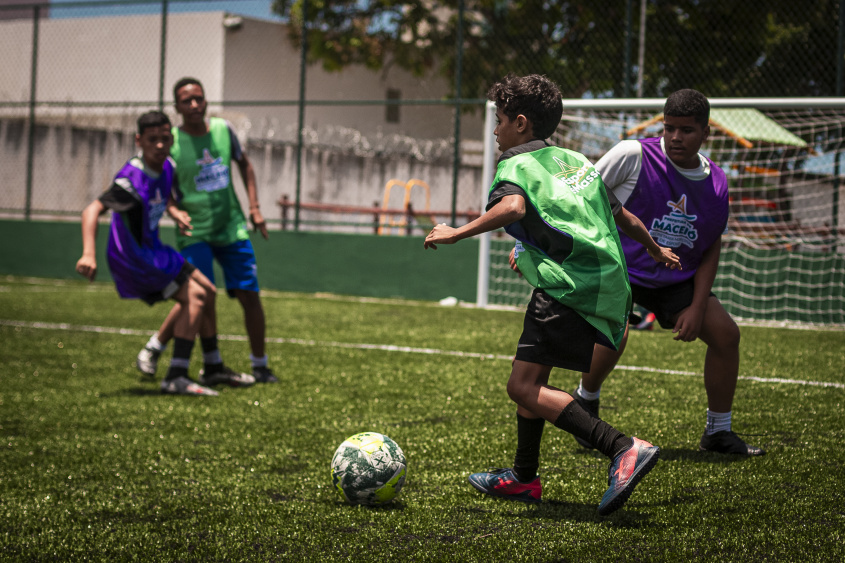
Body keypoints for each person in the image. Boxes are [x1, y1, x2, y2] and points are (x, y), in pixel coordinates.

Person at [424, 74, 681, 515]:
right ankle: (524, 479)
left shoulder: (513, 166)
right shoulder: (574, 161)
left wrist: (456, 233)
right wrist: (657, 249)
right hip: (606, 281)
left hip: (569, 285)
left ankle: (622, 447)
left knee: (522, 387)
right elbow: (622, 215)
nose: (495, 131)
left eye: (500, 121)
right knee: (534, 380)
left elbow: (514, 207)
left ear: (521, 123)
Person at [573, 89, 765, 456]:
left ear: (706, 133)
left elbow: (711, 245)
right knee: (617, 333)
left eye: (687, 130)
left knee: (726, 335)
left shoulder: (718, 182)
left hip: (676, 279)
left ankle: (718, 432)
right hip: (622, 269)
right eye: (670, 128)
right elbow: (579, 197)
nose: (676, 137)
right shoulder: (633, 155)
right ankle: (586, 401)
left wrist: (695, 306)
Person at [136, 77, 277, 386]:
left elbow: (246, 165)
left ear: (206, 100)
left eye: (199, 98)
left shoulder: (223, 131)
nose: (194, 105)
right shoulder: (169, 139)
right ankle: (193, 359)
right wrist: (174, 210)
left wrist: (254, 207)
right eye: (187, 101)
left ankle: (260, 366)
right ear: (177, 107)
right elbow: (160, 181)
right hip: (194, 231)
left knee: (250, 295)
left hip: (231, 226)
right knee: (202, 295)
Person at [76, 111, 220, 396]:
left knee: (209, 291)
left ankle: (178, 356)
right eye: (152, 140)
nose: (159, 145)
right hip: (135, 259)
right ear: (139, 141)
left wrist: (175, 212)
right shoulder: (130, 179)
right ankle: (177, 375)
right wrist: (88, 253)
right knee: (196, 297)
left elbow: (164, 197)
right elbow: (92, 210)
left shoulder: (168, 166)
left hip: (155, 251)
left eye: (165, 139)